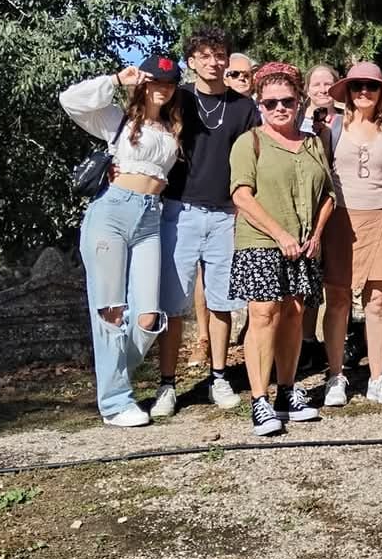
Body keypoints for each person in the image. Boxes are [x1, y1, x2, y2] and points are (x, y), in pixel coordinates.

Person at [59, 54, 183, 427]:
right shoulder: (117, 120)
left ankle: (113, 379)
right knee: (110, 310)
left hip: (150, 217)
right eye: (155, 80)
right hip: (111, 212)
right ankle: (114, 403)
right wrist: (116, 79)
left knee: (147, 317)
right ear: (143, 82)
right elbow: (70, 100)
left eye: (170, 83)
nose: (163, 88)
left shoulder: (173, 127)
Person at [155, 26, 259, 418]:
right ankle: (167, 384)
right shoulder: (177, 98)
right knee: (172, 304)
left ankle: (219, 376)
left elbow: (253, 159)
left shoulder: (243, 107)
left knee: (221, 302)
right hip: (178, 211)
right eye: (205, 55)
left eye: (220, 55)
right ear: (192, 61)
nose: (214, 62)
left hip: (225, 214)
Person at [229, 62, 336, 435]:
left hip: (303, 242)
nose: (279, 108)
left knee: (293, 313)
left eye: (287, 101)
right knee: (263, 315)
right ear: (259, 104)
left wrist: (317, 233)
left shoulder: (312, 143)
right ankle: (259, 399)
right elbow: (241, 195)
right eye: (270, 102)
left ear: (299, 101)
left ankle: (287, 391)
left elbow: (329, 194)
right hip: (261, 241)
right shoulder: (250, 142)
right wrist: (279, 234)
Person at [320, 63, 382, 406]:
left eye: (371, 87)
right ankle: (335, 376)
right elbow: (322, 179)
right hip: (340, 221)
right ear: (347, 90)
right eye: (357, 85)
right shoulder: (332, 128)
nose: (364, 92)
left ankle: (378, 377)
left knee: (378, 302)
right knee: (338, 300)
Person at [297, 63, 341, 369]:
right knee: (309, 276)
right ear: (307, 89)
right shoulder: (296, 119)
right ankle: (306, 339)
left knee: (336, 278)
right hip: (308, 206)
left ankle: (338, 338)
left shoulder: (347, 119)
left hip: (343, 205)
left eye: (329, 84)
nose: (323, 89)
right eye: (317, 84)